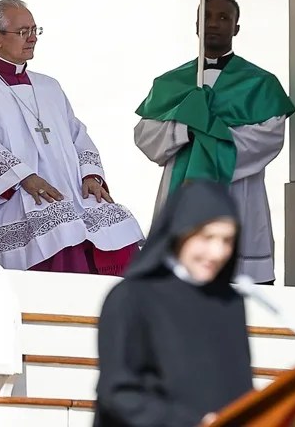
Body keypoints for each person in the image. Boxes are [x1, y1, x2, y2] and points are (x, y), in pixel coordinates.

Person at [0, 0, 143, 274]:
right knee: (59, 226)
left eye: (35, 30)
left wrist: (90, 176)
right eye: (23, 32)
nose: (33, 38)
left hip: (66, 190)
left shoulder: (49, 86)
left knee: (113, 220)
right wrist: (24, 177)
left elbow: (77, 133)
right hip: (12, 195)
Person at [135, 0, 295, 284]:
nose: (214, 23)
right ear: (196, 24)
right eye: (206, 16)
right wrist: (185, 128)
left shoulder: (260, 83)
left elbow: (268, 139)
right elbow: (146, 135)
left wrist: (209, 132)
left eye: (224, 17)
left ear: (236, 27)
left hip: (239, 194)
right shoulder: (170, 82)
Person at [94, 180, 253, 427]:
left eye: (227, 240)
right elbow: (117, 392)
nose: (217, 252)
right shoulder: (131, 297)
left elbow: (239, 387)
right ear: (181, 232)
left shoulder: (229, 303)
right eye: (207, 237)